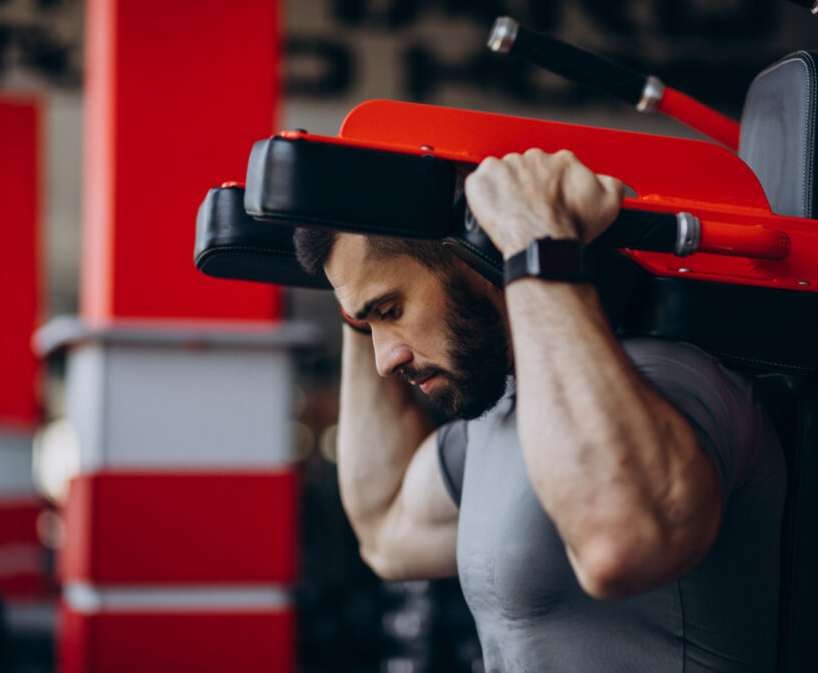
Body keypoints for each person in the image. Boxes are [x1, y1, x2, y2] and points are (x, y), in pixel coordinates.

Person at [294, 149, 787, 672]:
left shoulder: (668, 379)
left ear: (474, 248)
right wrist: (353, 304)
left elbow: (620, 543)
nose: (384, 360)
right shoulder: (504, 410)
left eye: (391, 310)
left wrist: (535, 244)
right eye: (370, 324)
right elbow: (385, 528)